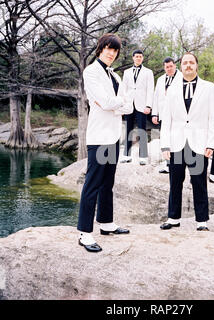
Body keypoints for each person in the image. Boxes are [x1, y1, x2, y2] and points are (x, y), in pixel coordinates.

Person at [77, 33, 133, 253]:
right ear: (100, 48)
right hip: (99, 138)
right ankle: (84, 233)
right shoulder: (90, 72)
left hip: (113, 137)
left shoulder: (116, 77)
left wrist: (115, 104)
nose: (111, 53)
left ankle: (107, 223)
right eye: (108, 48)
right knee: (92, 185)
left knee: (108, 183)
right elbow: (106, 102)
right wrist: (117, 103)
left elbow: (128, 107)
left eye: (115, 50)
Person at [160, 52, 214, 232]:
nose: (188, 65)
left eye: (191, 62)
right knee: (175, 182)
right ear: (181, 66)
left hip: (199, 144)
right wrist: (165, 145)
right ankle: (173, 218)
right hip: (177, 143)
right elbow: (167, 119)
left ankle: (202, 221)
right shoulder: (171, 88)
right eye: (185, 62)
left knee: (199, 182)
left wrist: (211, 144)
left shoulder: (209, 88)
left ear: (196, 65)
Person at [121, 50, 154, 165]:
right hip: (129, 104)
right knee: (128, 129)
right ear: (133, 58)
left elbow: (150, 90)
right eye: (136, 56)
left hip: (142, 105)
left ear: (142, 58)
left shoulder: (148, 72)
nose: (138, 58)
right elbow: (123, 89)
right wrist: (123, 104)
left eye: (140, 56)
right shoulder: (126, 72)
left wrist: (149, 105)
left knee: (142, 130)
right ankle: (126, 155)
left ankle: (143, 156)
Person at [152, 57, 182, 174]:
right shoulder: (160, 80)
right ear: (164, 68)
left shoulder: (181, 77)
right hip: (164, 115)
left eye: (171, 66)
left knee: (176, 139)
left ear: (175, 66)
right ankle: (167, 164)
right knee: (165, 139)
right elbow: (156, 97)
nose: (169, 69)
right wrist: (155, 113)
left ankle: (176, 164)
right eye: (167, 67)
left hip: (177, 115)